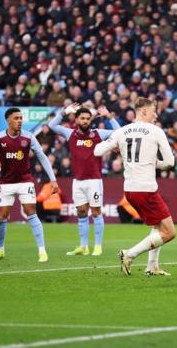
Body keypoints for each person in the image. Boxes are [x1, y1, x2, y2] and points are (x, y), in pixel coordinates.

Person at [94, 97, 176, 276]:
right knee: (169, 232)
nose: (155, 114)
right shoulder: (156, 131)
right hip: (146, 189)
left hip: (130, 190)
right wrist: (154, 163)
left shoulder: (122, 131)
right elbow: (170, 162)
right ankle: (129, 254)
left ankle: (152, 266)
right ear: (144, 111)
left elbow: (97, 151)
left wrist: (115, 147)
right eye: (153, 110)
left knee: (157, 225)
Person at [0, 107, 59, 263]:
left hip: (25, 181)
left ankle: (42, 251)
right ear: (8, 121)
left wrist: (53, 179)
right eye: (16, 118)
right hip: (5, 183)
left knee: (31, 213)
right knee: (1, 218)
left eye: (21, 118)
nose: (20, 121)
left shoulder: (29, 137)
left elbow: (42, 157)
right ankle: (0, 250)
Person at [48, 103, 121, 256]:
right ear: (76, 120)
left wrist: (109, 116)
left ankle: (98, 247)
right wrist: (64, 112)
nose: (86, 121)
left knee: (95, 212)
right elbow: (52, 125)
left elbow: (119, 132)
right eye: (82, 118)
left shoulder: (98, 134)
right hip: (78, 181)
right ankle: (83, 247)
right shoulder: (70, 134)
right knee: (81, 212)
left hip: (94, 180)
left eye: (88, 118)